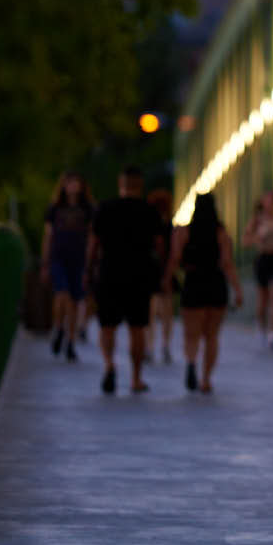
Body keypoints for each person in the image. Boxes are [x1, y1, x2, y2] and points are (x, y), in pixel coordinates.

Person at [86, 165, 165, 395]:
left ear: (121, 183)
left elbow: (93, 243)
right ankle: (136, 378)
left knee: (107, 326)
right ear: (140, 185)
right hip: (140, 275)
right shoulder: (149, 211)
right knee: (137, 328)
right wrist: (161, 272)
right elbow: (160, 246)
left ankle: (110, 365)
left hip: (110, 272)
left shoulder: (105, 208)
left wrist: (89, 269)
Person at [164, 193, 241, 394]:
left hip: (193, 282)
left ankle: (191, 362)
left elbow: (174, 258)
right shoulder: (221, 233)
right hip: (216, 284)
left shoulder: (183, 232)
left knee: (192, 334)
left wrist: (166, 280)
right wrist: (237, 290)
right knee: (212, 336)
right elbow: (227, 263)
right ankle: (206, 379)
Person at [41, 171, 95, 361]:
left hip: (78, 260)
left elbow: (91, 238)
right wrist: (45, 262)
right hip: (58, 257)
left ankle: (70, 340)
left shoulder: (87, 209)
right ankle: (59, 328)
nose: (73, 186)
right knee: (61, 293)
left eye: (76, 182)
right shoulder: (55, 208)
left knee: (74, 300)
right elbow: (48, 236)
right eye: (69, 183)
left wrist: (89, 263)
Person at [243, 189, 273, 350]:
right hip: (263, 259)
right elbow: (245, 240)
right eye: (268, 200)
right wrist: (257, 238)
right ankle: (261, 329)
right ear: (263, 202)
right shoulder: (257, 220)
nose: (270, 204)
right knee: (263, 299)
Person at [146, 187, 177, 364]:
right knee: (166, 312)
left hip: (151, 271)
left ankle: (151, 346)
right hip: (164, 270)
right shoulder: (169, 227)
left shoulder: (148, 227)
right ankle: (164, 345)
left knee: (151, 312)